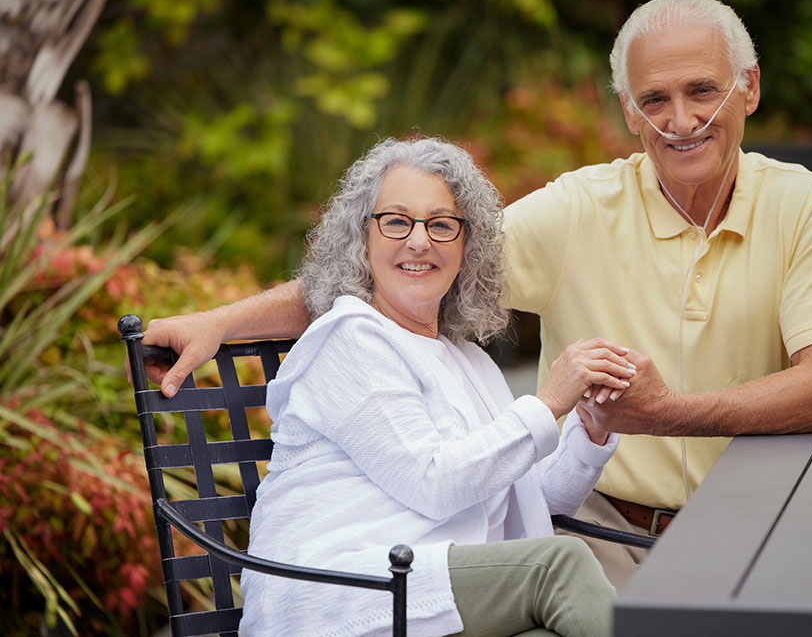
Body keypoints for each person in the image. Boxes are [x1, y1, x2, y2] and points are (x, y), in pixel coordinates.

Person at [142, 0, 812, 589]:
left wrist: (668, 413)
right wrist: (221, 320)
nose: (680, 121)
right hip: (600, 537)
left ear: (748, 87)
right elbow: (397, 267)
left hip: (761, 535)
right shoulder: (579, 207)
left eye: (702, 92)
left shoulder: (807, 206)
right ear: (628, 111)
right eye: (655, 99)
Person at [237, 136, 635, 637]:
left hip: (421, 589)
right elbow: (434, 481)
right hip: (341, 591)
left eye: (442, 225)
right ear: (363, 238)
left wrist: (590, 431)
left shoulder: (469, 361)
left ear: (468, 246)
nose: (420, 241)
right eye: (397, 221)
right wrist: (551, 400)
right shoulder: (351, 338)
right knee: (558, 566)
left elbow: (530, 502)